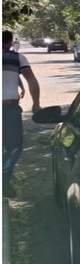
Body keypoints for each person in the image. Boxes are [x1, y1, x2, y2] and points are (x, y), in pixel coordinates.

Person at [3, 30, 42, 198]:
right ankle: (3, 179)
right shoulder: (17, 58)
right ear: (11, 42)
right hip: (8, 109)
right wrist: (36, 104)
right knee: (13, 146)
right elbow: (32, 80)